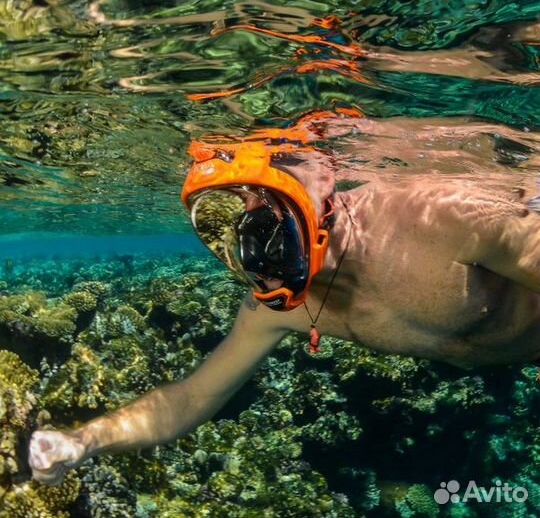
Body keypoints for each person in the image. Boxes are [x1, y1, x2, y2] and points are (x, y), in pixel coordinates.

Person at [29, 110, 540, 486]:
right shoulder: (277, 309)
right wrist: (85, 441)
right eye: (221, 229)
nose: (251, 252)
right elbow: (192, 397)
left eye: (259, 219)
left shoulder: (441, 217)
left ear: (322, 185)